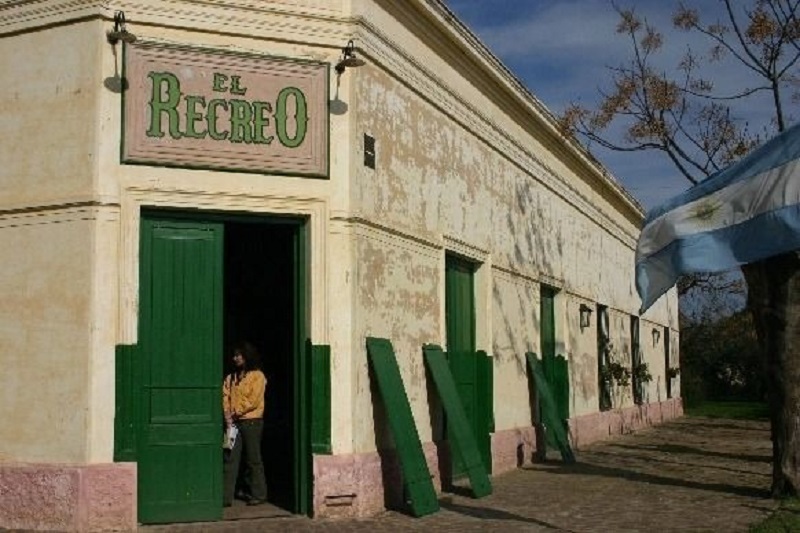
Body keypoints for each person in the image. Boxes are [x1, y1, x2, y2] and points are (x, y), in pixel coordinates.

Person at [222, 341, 268, 507]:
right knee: (229, 458)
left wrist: (235, 412)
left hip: (251, 422)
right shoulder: (231, 377)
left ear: (246, 356)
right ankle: (225, 497)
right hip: (233, 424)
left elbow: (254, 400)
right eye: (234, 355)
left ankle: (258, 494)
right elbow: (225, 395)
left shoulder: (257, 376)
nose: (235, 358)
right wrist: (227, 414)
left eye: (238, 355)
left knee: (253, 459)